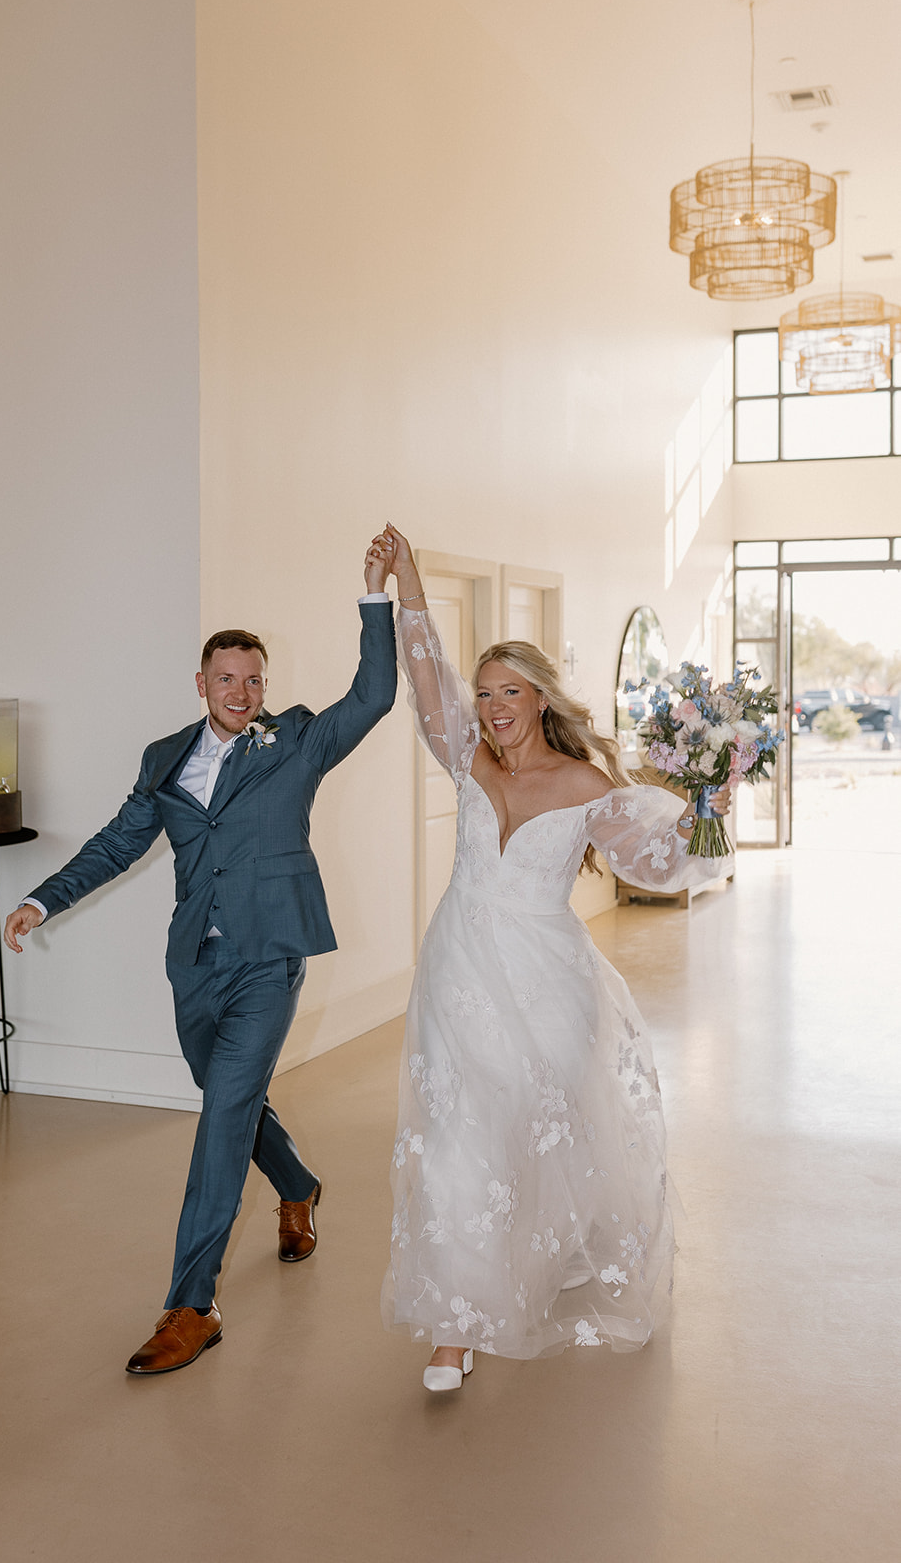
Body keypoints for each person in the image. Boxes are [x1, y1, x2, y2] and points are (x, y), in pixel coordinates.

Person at [3, 533, 397, 1376]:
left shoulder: (293, 742)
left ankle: (192, 1303)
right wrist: (43, 898)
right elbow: (119, 843)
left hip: (270, 957)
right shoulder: (164, 758)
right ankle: (297, 1187)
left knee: (220, 1116)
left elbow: (373, 694)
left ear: (265, 686)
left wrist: (374, 594)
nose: (242, 691)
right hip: (196, 964)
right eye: (227, 678)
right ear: (201, 683)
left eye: (254, 679)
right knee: (235, 1104)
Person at [376, 525, 731, 1392]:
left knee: (544, 1128)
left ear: (540, 699)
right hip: (458, 972)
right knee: (459, 1137)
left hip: (548, 983)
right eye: (486, 690)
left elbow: (648, 865)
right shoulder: (467, 762)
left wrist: (700, 820)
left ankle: (554, 1251)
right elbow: (425, 680)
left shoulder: (584, 786)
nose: (493, 704)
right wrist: (408, 586)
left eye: (511, 690)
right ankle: (454, 1329)